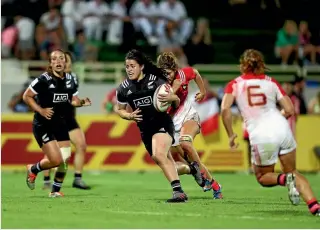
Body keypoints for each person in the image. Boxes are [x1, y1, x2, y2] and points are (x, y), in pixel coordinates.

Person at [221, 49, 319, 216]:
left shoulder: (235, 84)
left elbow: (225, 109)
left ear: (243, 65)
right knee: (293, 172)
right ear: (261, 64)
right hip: (282, 128)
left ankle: (284, 180)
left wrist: (231, 134)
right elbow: (289, 109)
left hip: (261, 133)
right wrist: (276, 118)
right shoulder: (271, 82)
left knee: (263, 176)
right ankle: (315, 206)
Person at [115, 49, 201, 202]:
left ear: (141, 66)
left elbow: (176, 99)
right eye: (127, 66)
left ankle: (179, 193)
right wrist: (129, 116)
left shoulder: (156, 80)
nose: (129, 69)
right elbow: (119, 109)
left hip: (162, 123)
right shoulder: (124, 88)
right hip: (144, 130)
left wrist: (172, 97)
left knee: (158, 155)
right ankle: (191, 169)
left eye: (132, 66)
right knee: (166, 164)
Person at [23, 49, 92, 197]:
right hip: (43, 125)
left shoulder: (70, 79)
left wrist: (81, 103)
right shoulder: (43, 80)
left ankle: (55, 191)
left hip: (60, 123)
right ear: (50, 63)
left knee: (65, 159)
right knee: (55, 160)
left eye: (61, 58)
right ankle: (33, 169)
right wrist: (40, 110)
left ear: (65, 62)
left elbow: (72, 100)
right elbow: (26, 96)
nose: (58, 61)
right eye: (54, 59)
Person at [156, 52, 223, 199]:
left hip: (188, 114)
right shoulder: (159, 84)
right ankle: (213, 184)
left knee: (186, 143)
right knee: (185, 163)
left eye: (168, 73)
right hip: (171, 123)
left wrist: (202, 91)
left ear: (175, 69)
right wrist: (172, 92)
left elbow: (196, 73)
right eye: (163, 73)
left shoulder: (184, 73)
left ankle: (200, 175)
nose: (166, 76)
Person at [42, 51, 91, 190]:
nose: (66, 64)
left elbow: (72, 99)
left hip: (69, 119)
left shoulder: (73, 78)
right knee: (53, 153)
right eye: (65, 61)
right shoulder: (50, 78)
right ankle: (46, 179)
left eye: (68, 61)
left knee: (81, 145)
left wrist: (81, 102)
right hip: (55, 120)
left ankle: (78, 178)